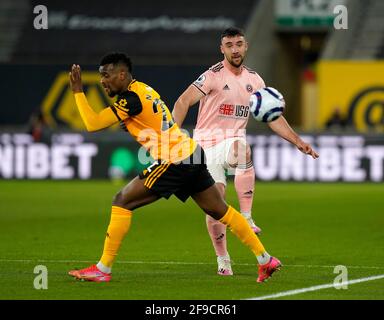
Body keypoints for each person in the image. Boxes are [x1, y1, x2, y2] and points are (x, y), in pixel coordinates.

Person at [67, 52, 282, 283]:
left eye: (106, 75)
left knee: (122, 201)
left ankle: (103, 269)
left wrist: (78, 91)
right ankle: (265, 259)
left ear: (121, 75)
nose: (102, 81)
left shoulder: (130, 99)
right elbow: (159, 118)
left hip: (174, 161)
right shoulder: (144, 90)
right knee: (221, 210)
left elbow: (92, 123)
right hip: (192, 154)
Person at [172, 27, 319, 276]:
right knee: (215, 206)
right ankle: (223, 261)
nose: (235, 49)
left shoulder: (255, 80)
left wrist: (297, 140)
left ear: (246, 46)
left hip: (232, 142)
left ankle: (247, 217)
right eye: (229, 45)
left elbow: (273, 117)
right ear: (222, 49)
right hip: (205, 146)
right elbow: (183, 101)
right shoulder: (212, 76)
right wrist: (172, 136)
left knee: (243, 150)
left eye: (239, 44)